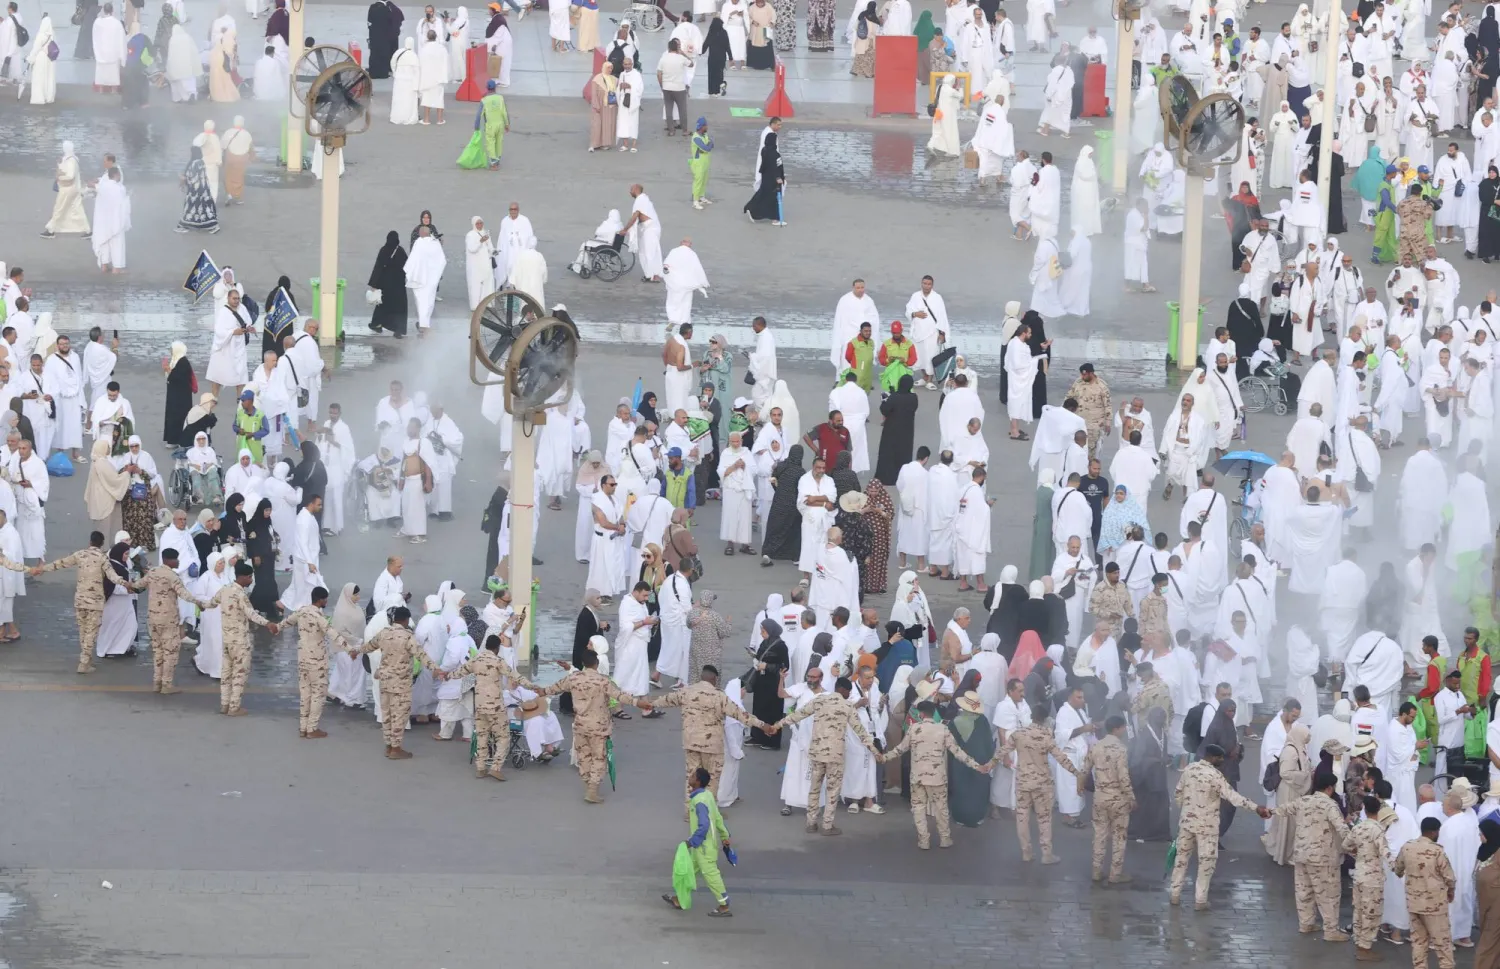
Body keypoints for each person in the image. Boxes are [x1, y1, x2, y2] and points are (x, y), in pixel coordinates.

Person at [1171, 744, 1272, 908]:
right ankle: (1200, 900)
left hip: (1186, 824)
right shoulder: (1214, 776)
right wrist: (1256, 808)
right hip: (1207, 827)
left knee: (1181, 860)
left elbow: (1178, 793)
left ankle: (1175, 895)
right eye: (1220, 757)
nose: (1222, 760)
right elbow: (1233, 797)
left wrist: (1186, 811)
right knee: (1206, 862)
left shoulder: (1189, 770)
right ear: (1212, 757)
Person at [367, 232, 409, 337]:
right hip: (398, 286)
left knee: (382, 307)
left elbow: (378, 268)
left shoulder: (384, 250)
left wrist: (374, 284)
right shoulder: (400, 251)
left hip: (385, 286)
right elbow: (407, 267)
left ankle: (376, 324)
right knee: (399, 309)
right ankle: (398, 330)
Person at [744, 121, 784, 225]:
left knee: (762, 193)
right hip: (773, 179)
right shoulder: (774, 154)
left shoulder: (765, 150)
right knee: (773, 198)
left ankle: (750, 208)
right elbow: (776, 166)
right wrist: (778, 177)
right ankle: (775, 218)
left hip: (766, 176)